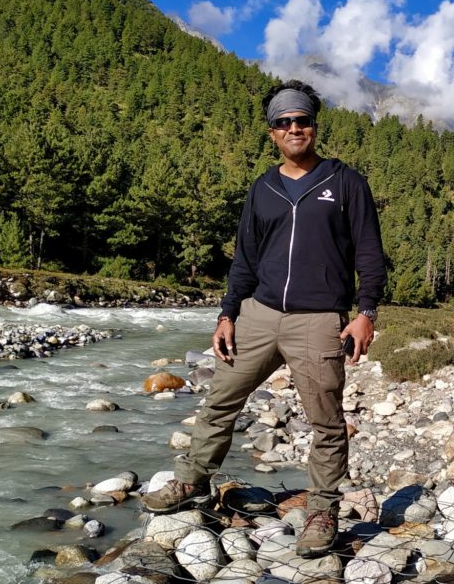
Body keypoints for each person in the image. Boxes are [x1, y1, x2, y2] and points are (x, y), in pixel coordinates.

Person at [143, 80, 386, 557]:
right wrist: (228, 312)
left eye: (303, 120)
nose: (295, 129)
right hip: (258, 313)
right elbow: (245, 258)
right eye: (284, 122)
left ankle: (322, 510)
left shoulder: (345, 182)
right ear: (272, 132)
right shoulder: (264, 188)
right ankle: (192, 482)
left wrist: (366, 313)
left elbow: (370, 254)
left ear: (314, 126)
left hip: (318, 320)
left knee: (327, 421)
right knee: (220, 400)